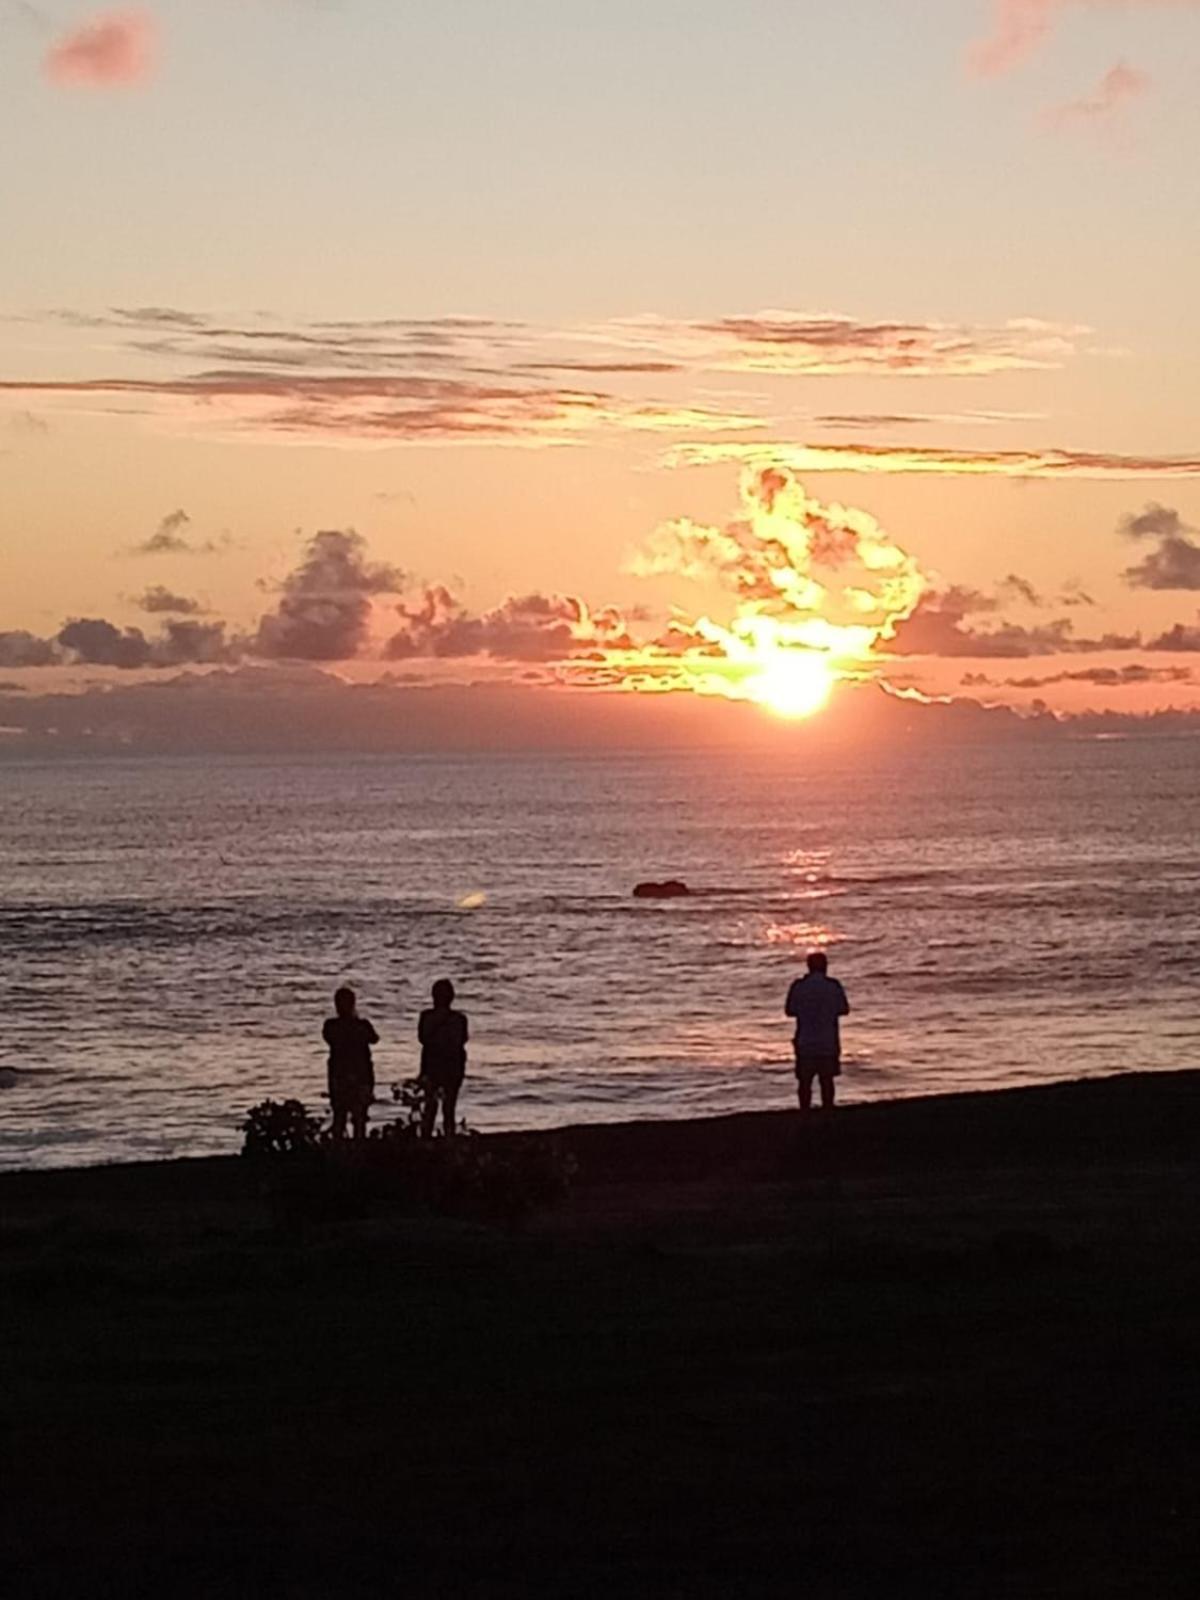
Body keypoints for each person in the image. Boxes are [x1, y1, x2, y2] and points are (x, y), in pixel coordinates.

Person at [785, 951, 850, 1113]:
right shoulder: (833, 986)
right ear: (825, 967)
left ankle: (804, 1112)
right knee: (827, 1081)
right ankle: (828, 1112)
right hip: (827, 1040)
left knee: (804, 1082)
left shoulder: (799, 986)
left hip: (805, 1041)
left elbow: (789, 1010)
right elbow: (844, 1009)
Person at [322, 985, 379, 1140]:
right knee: (358, 1117)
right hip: (360, 1074)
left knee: (340, 1116)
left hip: (340, 1075)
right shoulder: (361, 1025)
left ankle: (339, 1150)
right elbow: (374, 1038)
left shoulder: (332, 1026)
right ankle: (358, 1150)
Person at [418, 978, 469, 1138]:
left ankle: (426, 1141)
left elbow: (422, 1038)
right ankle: (449, 1140)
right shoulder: (459, 1019)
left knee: (430, 1108)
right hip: (452, 1067)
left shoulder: (426, 1017)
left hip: (432, 1067)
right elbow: (463, 1039)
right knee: (449, 1109)